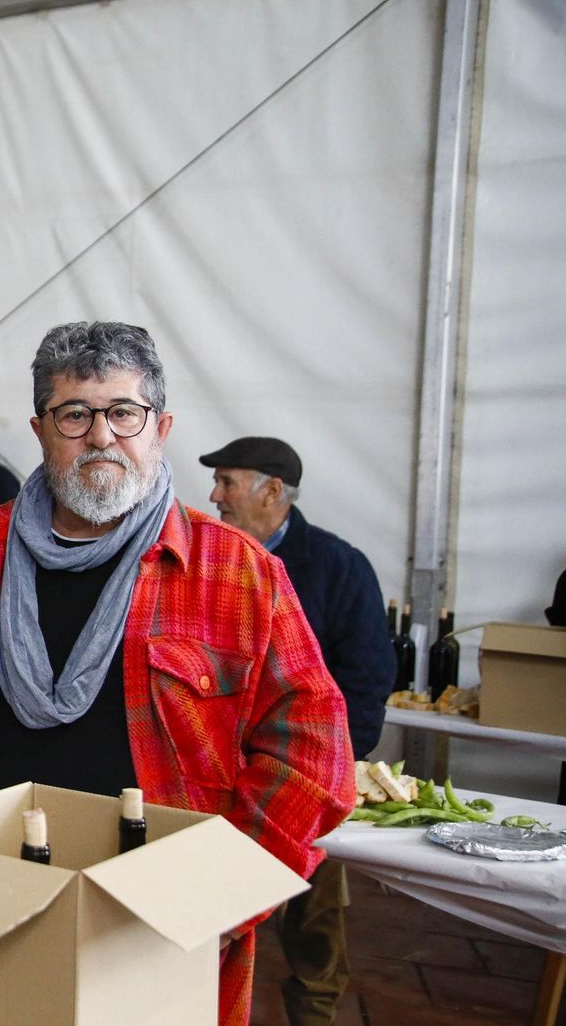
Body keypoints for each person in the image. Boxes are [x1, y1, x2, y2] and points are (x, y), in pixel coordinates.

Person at [0, 321, 352, 1026]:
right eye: (75, 414)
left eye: (124, 413)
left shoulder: (239, 573)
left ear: (160, 427)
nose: (101, 436)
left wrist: (219, 895)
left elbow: (313, 748)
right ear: (40, 429)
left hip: (153, 942)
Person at [199, 436, 396, 1026]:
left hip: (305, 785)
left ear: (273, 491)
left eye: (228, 482)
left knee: (313, 932)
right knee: (211, 919)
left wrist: (326, 773)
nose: (214, 495)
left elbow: (366, 683)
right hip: (222, 780)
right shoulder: (212, 560)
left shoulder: (340, 568)